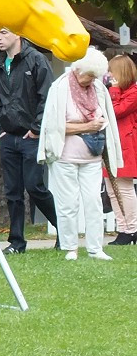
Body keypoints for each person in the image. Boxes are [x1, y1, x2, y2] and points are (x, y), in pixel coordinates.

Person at [37, 49, 121, 261]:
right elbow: (54, 126)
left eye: (95, 76)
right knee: (67, 203)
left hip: (92, 155)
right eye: (89, 75)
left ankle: (95, 248)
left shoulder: (98, 88)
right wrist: (87, 125)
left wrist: (98, 125)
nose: (91, 80)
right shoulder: (60, 87)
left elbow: (106, 118)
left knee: (94, 201)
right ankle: (70, 247)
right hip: (65, 156)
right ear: (78, 69)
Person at [0, 28, 57, 254]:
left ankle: (64, 231)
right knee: (12, 192)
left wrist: (36, 130)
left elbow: (47, 96)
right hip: (9, 138)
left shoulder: (36, 60)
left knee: (34, 187)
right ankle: (16, 242)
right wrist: (0, 128)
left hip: (31, 137)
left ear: (18, 34)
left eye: (4, 33)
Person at [105, 55, 137, 245]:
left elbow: (116, 111)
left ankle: (132, 228)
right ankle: (123, 227)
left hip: (126, 144)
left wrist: (115, 90)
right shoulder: (116, 91)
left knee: (124, 188)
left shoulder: (133, 92)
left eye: (111, 71)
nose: (109, 75)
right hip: (113, 144)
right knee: (112, 189)